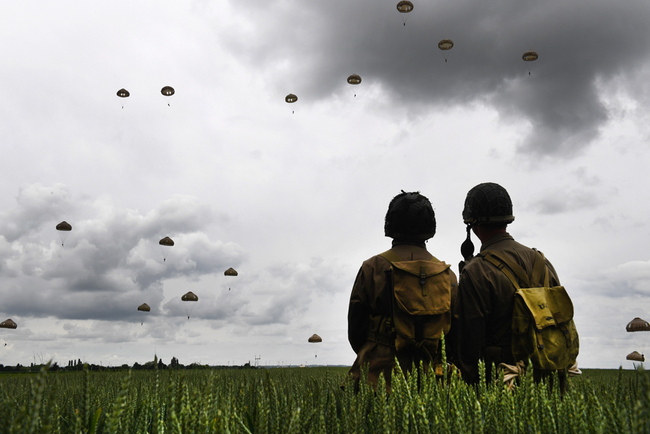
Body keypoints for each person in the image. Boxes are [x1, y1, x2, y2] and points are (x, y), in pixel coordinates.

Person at [452, 182, 564, 388]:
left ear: (471, 223)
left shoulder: (475, 271)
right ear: (507, 218)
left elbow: (470, 343)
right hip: (548, 377)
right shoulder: (543, 262)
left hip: (501, 383)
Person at [347, 191, 458, 391]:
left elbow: (356, 331)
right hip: (432, 383)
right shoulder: (447, 275)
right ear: (430, 228)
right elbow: (454, 336)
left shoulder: (371, 268)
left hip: (377, 379)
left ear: (390, 225)